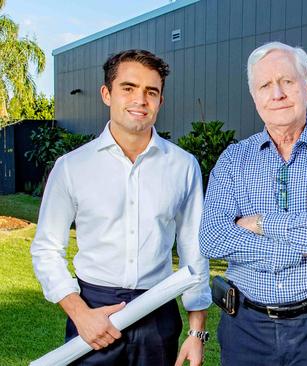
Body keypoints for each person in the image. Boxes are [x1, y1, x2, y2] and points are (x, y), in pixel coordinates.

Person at [31, 49, 211, 366]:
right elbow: (46, 248)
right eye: (128, 88)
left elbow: (193, 249)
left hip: (158, 315)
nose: (140, 100)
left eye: (151, 92)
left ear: (160, 101)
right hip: (92, 311)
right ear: (106, 93)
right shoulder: (72, 167)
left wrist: (196, 333)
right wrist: (79, 313)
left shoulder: (183, 166)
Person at [199, 41, 307, 366]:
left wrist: (260, 223)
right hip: (247, 327)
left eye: (287, 81)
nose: (277, 93)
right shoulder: (234, 160)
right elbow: (212, 238)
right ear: (255, 97)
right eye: (265, 85)